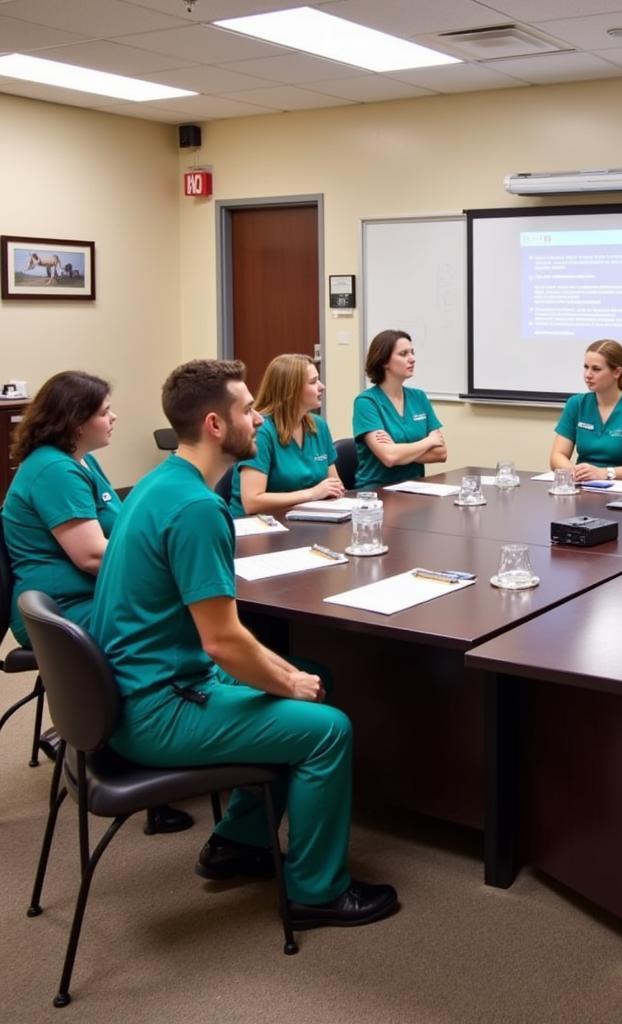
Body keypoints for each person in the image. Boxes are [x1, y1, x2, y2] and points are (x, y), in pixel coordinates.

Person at [91, 359, 397, 928]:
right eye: (247, 410)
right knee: (326, 728)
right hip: (157, 707)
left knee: (306, 671)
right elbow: (223, 642)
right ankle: (316, 892)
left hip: (131, 686)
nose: (258, 419)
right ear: (214, 424)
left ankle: (238, 841)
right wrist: (287, 684)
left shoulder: (158, 483)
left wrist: (291, 676)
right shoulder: (200, 509)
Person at [3, 371, 192, 835]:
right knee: (172, 632)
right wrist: (162, 556)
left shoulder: (82, 461)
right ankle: (147, 761)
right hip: (63, 610)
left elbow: (122, 526)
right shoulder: (54, 469)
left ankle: (155, 742)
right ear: (75, 421)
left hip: (90, 598)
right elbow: (90, 555)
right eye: (104, 412)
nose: (114, 418)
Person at [229, 353, 342, 517]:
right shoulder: (261, 430)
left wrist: (327, 492)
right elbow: (252, 502)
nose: (322, 386)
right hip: (257, 527)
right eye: (313, 382)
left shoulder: (319, 426)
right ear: (291, 390)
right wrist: (313, 494)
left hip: (303, 520)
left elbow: (335, 485)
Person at [549, 340, 622, 482]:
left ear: (617, 372)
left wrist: (605, 473)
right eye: (586, 367)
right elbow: (557, 455)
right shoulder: (576, 404)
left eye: (596, 369)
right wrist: (573, 471)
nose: (588, 374)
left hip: (621, 489)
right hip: (582, 486)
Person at [353, 329, 446, 489]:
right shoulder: (366, 402)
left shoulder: (419, 397)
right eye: (403, 354)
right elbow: (389, 457)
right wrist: (428, 441)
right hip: (377, 492)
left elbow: (441, 453)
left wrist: (399, 451)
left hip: (415, 488)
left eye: (412, 352)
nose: (412, 359)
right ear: (384, 361)